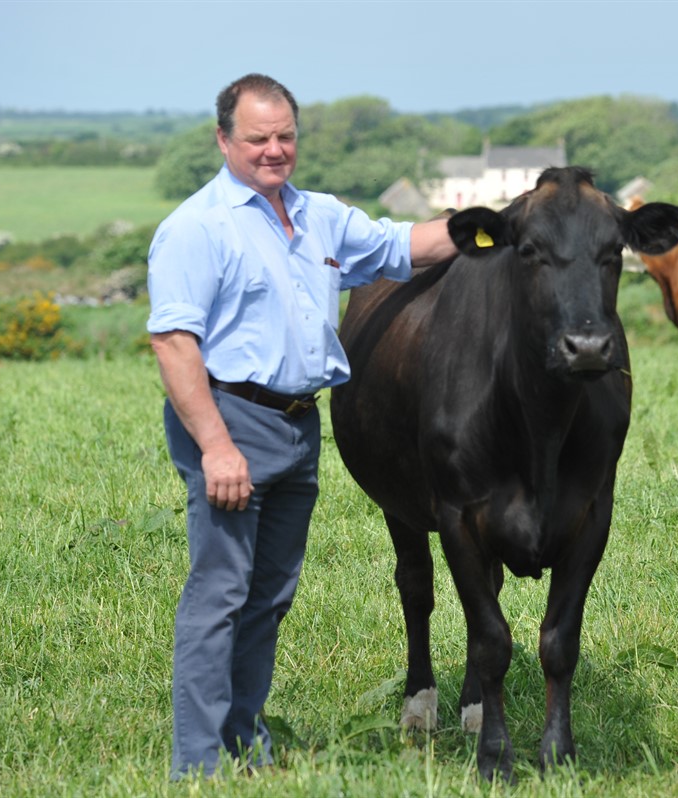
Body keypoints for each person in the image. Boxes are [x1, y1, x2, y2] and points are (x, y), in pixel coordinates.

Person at [146, 73, 458, 780]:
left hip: (298, 427)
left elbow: (403, 247)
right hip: (231, 423)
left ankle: (243, 742)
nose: (274, 150)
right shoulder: (197, 227)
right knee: (220, 594)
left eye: (285, 135)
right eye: (257, 138)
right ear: (224, 139)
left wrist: (507, 223)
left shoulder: (318, 217)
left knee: (269, 598)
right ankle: (197, 767)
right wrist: (216, 447)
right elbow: (173, 344)